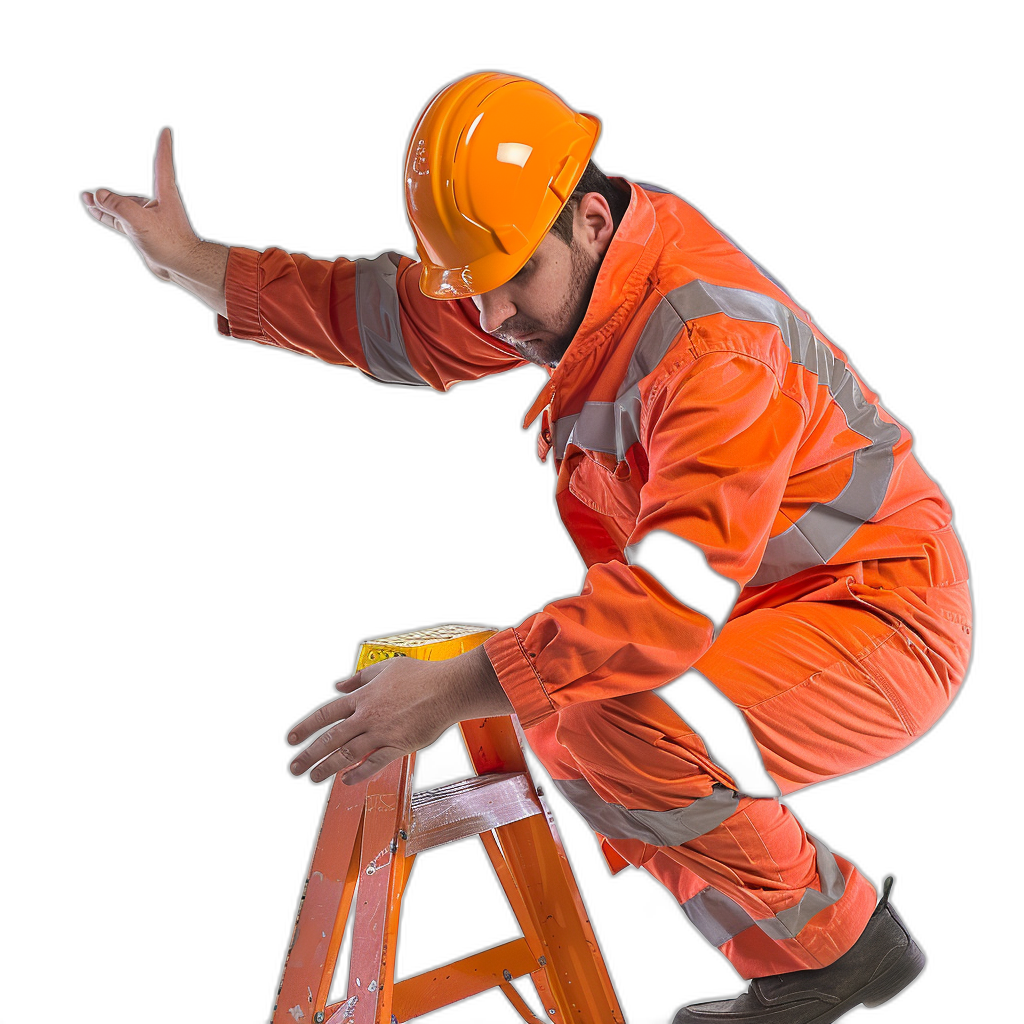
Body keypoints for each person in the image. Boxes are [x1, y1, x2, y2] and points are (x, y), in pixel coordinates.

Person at [80, 71, 973, 1023]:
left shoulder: (712, 349)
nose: (494, 322)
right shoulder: (572, 277)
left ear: (590, 220)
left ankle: (847, 950)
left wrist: (459, 686)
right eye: (476, 291)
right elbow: (392, 319)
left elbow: (666, 608)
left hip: (878, 616)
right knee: (567, 712)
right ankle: (796, 963)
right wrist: (191, 261)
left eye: (509, 286)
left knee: (620, 720)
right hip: (767, 603)